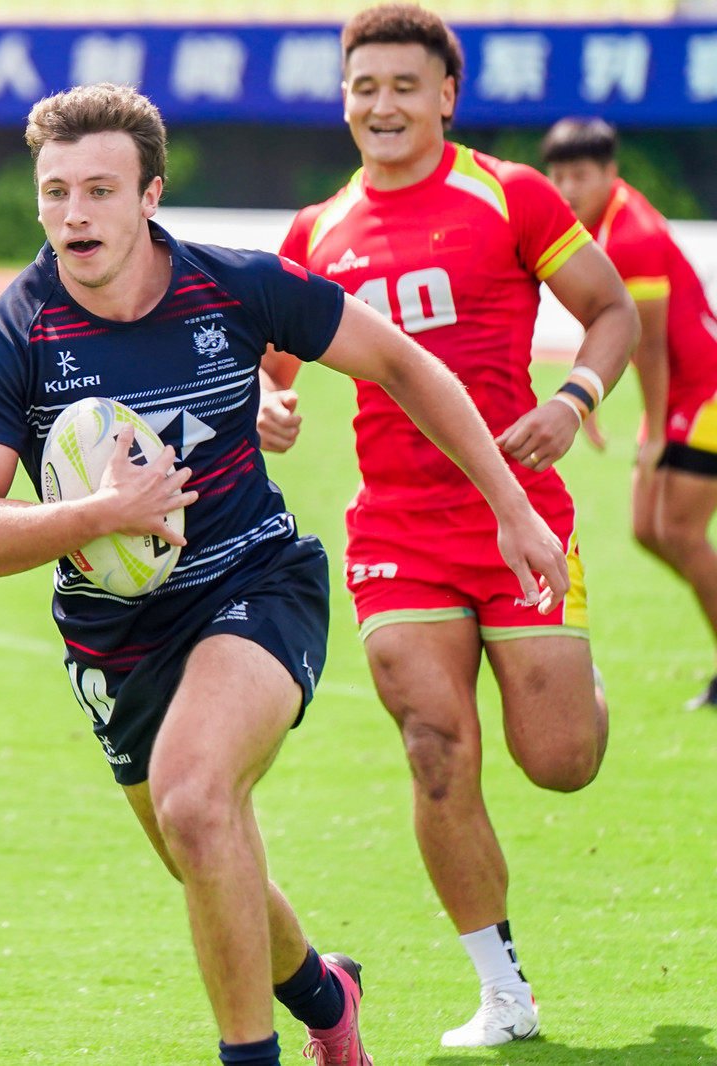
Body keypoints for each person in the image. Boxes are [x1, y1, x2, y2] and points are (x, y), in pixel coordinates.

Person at [0, 82, 570, 1066]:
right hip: (116, 640)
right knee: (201, 848)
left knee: (196, 800)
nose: (72, 214)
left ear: (149, 195)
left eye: (97, 190)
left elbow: (402, 364)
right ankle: (326, 992)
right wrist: (103, 513)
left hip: (253, 581)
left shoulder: (235, 286)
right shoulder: (8, 338)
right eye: (54, 191)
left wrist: (512, 505)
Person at [263, 4, 638, 1048]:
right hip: (394, 532)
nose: (380, 104)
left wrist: (573, 401)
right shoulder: (314, 232)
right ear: (344, 98)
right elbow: (273, 367)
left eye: (401, 85)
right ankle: (503, 993)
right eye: (362, 86)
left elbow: (612, 311)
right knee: (434, 746)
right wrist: (271, 403)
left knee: (559, 758)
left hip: (516, 516)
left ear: (444, 96)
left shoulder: (509, 195)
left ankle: (578, 689)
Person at [542, 116, 717, 712]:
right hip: (680, 396)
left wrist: (656, 438)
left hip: (703, 396)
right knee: (650, 530)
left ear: (610, 173)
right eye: (558, 174)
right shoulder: (602, 221)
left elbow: (655, 348)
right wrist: (590, 400)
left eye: (580, 175)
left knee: (681, 532)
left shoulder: (632, 235)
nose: (567, 188)